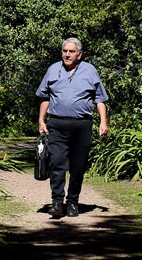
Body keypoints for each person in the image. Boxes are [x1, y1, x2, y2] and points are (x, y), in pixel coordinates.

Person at [36, 38, 108, 218]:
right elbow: (45, 97)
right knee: (57, 163)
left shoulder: (90, 70)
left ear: (79, 54)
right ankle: (57, 202)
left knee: (78, 166)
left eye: (71, 51)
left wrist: (103, 122)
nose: (67, 54)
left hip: (82, 125)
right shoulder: (53, 69)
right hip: (57, 124)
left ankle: (73, 202)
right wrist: (41, 121)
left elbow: (99, 99)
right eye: (64, 51)